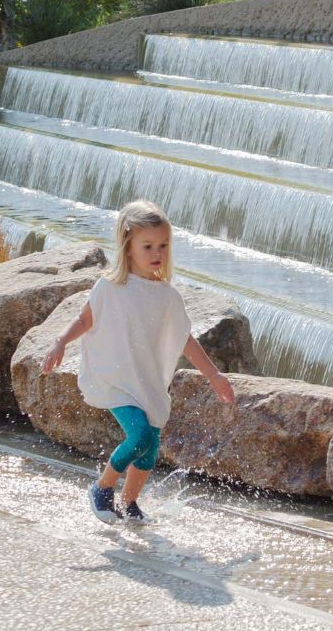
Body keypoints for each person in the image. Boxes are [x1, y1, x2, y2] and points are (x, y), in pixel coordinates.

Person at [41, 200, 235, 524]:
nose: (156, 253)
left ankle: (129, 504)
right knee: (141, 436)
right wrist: (60, 341)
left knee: (150, 450)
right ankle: (102, 488)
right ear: (128, 246)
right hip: (117, 379)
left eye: (163, 245)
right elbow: (86, 320)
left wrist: (214, 376)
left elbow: (184, 338)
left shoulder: (167, 296)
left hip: (147, 380)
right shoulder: (110, 287)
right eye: (147, 246)